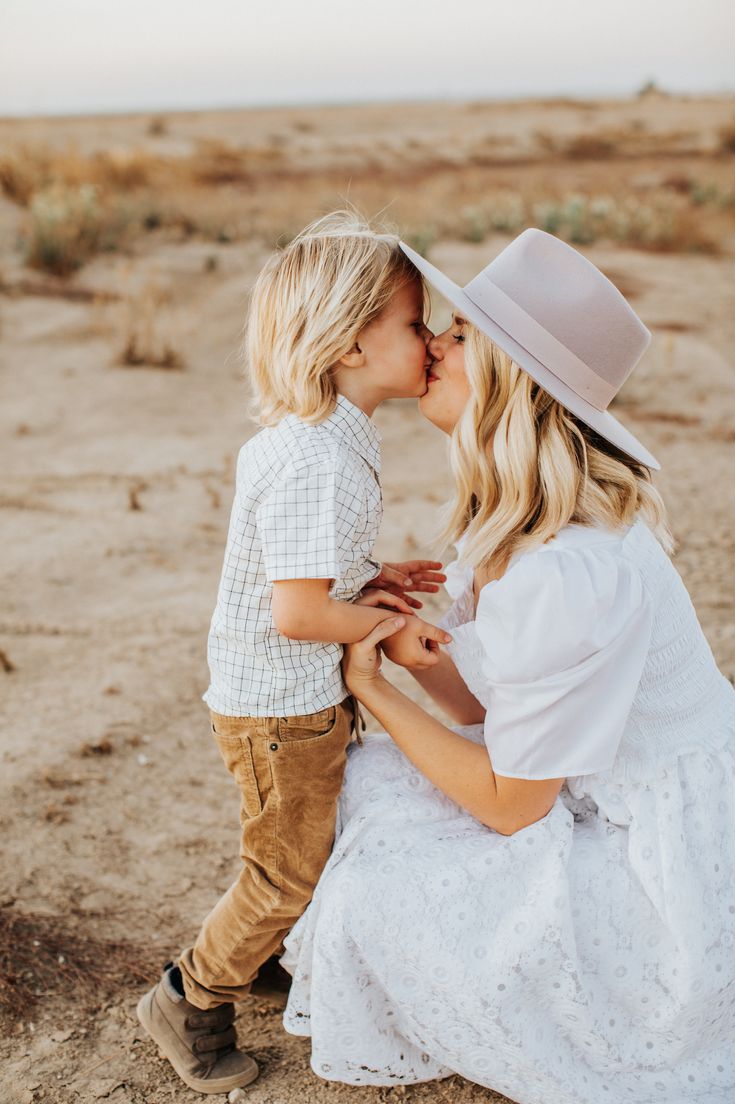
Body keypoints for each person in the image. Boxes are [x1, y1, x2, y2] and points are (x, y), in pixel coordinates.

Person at [280, 229, 735, 1103]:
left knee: (381, 891)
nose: (436, 346)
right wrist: (414, 652)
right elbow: (497, 713)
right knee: (370, 787)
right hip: (595, 787)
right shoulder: (523, 514)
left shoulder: (570, 570)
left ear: (510, 383)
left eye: (459, 337)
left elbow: (512, 804)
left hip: (669, 864)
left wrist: (370, 681)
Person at [136, 211, 451, 1095]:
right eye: (413, 324)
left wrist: (371, 575)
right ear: (353, 344)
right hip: (281, 706)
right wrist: (383, 623)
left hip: (287, 696)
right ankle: (191, 998)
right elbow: (301, 614)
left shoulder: (320, 437)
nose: (429, 339)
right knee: (282, 870)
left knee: (300, 845)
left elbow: (308, 575)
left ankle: (263, 954)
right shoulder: (320, 461)